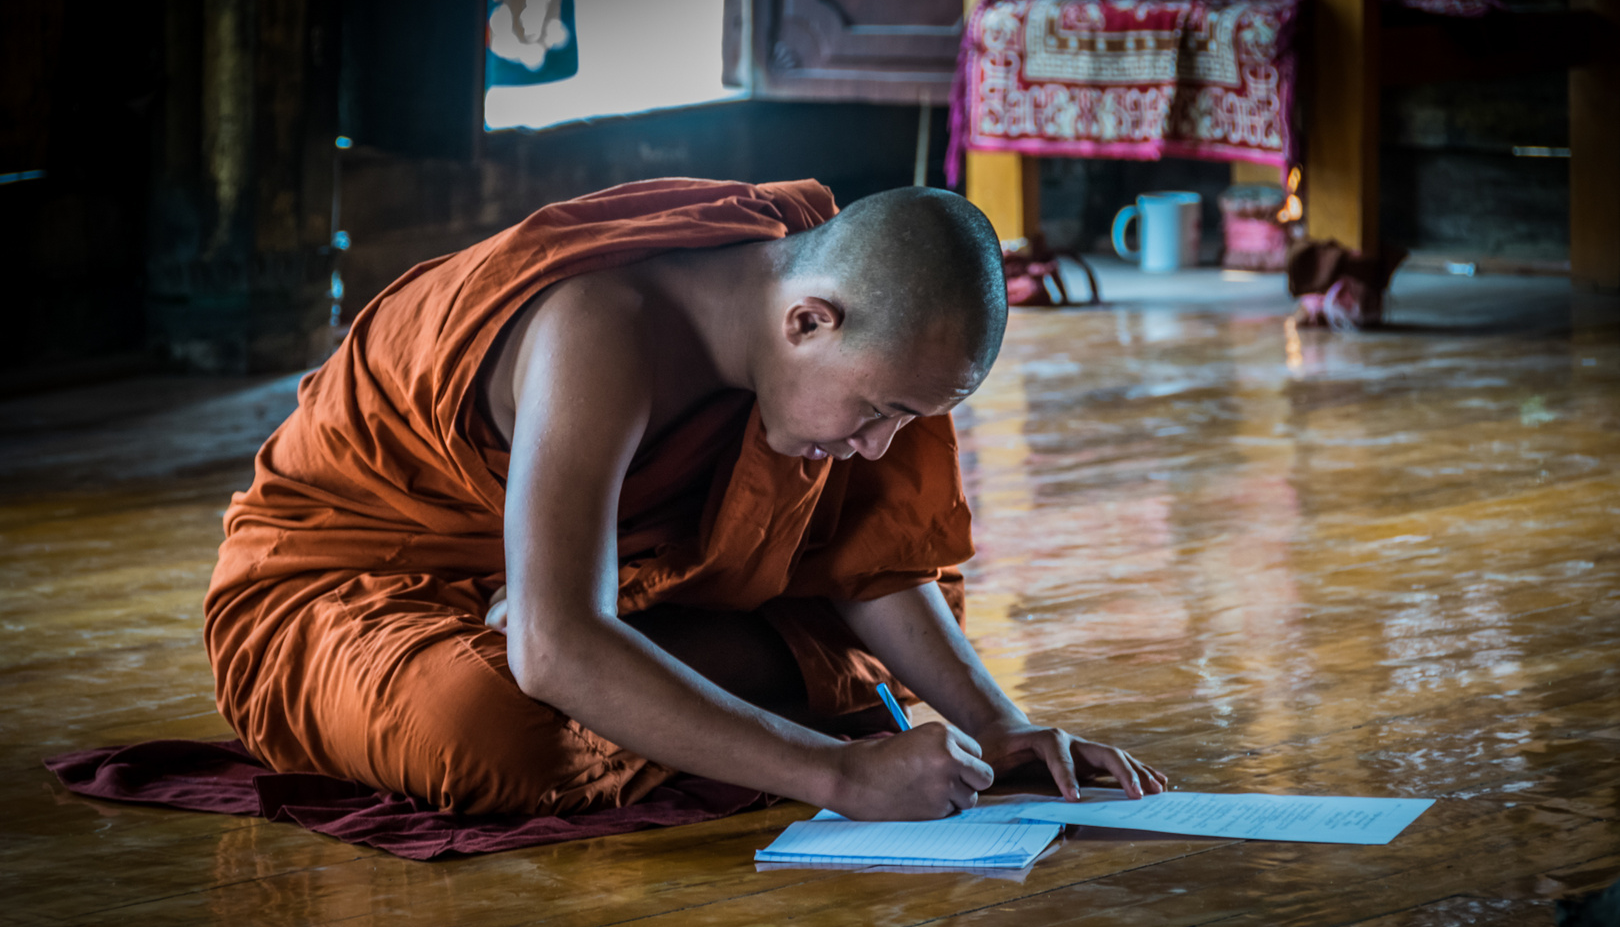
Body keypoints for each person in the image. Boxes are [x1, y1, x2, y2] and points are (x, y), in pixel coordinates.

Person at [204, 177, 1166, 822]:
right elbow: (547, 649)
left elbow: (872, 556)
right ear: (807, 321)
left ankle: (619, 661)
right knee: (491, 724)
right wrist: (834, 775)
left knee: (914, 635)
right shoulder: (600, 326)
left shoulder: (811, 318)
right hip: (336, 591)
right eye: (878, 412)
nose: (875, 446)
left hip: (591, 584)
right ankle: (617, 656)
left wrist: (999, 725)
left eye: (904, 424)